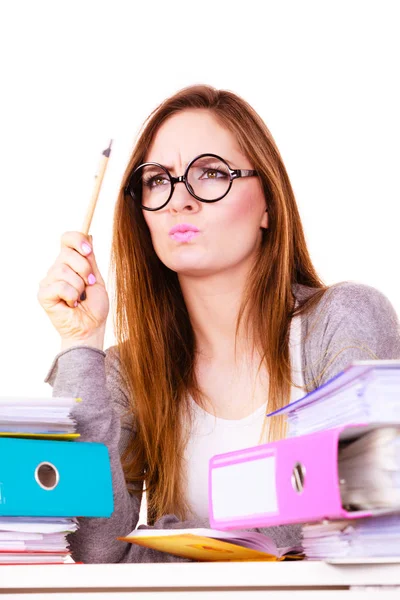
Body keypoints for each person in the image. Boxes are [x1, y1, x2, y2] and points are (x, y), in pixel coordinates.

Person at [38, 84, 400, 563]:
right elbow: (96, 550)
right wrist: (80, 342)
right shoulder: (129, 370)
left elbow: (359, 518)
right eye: (158, 180)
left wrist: (166, 548)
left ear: (268, 205)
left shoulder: (342, 320)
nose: (179, 200)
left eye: (211, 173)